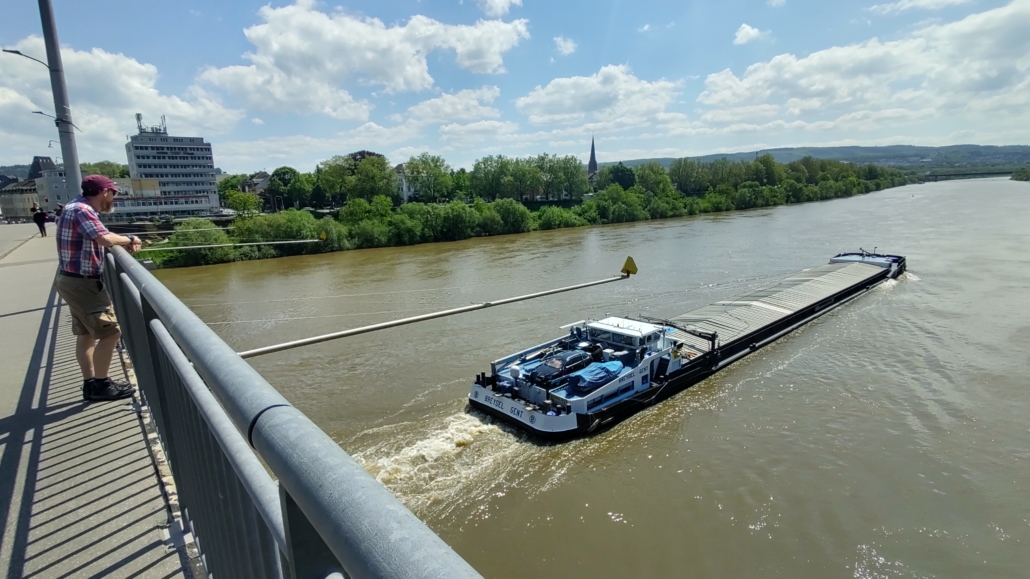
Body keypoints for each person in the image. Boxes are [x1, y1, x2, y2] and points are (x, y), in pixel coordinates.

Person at [55, 175, 143, 401]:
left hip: (71, 280)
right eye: (113, 193)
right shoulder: (82, 210)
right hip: (83, 284)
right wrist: (130, 237)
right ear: (104, 192)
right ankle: (101, 386)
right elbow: (103, 238)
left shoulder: (72, 207)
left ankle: (90, 384)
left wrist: (121, 239)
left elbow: (98, 237)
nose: (113, 198)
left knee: (86, 334)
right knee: (111, 332)